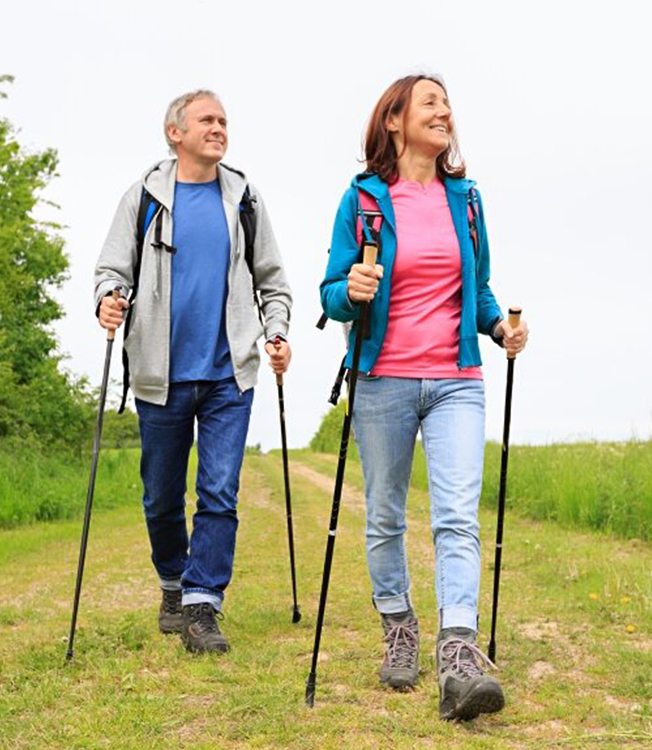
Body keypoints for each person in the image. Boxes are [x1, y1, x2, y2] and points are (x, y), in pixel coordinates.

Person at [319, 74, 529, 720]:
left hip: (456, 381)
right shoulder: (363, 201)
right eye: (429, 102)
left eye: (447, 104)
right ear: (394, 121)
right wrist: (349, 286)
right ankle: (399, 627)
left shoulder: (466, 200)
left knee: (456, 516)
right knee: (384, 513)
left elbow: (481, 288)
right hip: (382, 379)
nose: (444, 111)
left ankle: (458, 654)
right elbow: (330, 294)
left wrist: (500, 328)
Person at [93, 90, 292, 654]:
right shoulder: (144, 198)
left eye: (224, 120)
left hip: (231, 371)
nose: (219, 128)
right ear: (174, 132)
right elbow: (111, 270)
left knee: (219, 491)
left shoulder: (244, 199)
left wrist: (275, 331)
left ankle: (203, 605)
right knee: (160, 496)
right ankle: (173, 583)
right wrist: (109, 297)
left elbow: (272, 280)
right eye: (207, 120)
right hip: (160, 372)